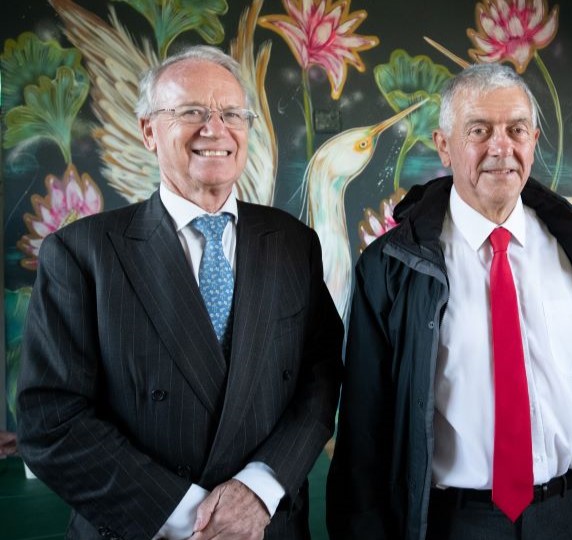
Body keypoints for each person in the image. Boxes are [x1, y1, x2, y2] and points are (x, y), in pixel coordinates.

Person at [17, 45, 343, 539]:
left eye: (232, 113)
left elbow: (319, 379)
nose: (215, 129)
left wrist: (259, 489)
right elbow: (52, 422)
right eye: (191, 112)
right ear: (148, 131)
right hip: (144, 527)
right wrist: (196, 516)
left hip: (267, 525)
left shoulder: (294, 243)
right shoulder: (81, 253)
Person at [327, 63, 572, 540]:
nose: (501, 147)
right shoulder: (394, 266)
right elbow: (363, 432)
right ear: (444, 145)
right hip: (453, 523)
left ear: (534, 140)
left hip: (569, 515)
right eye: (480, 130)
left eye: (517, 130)